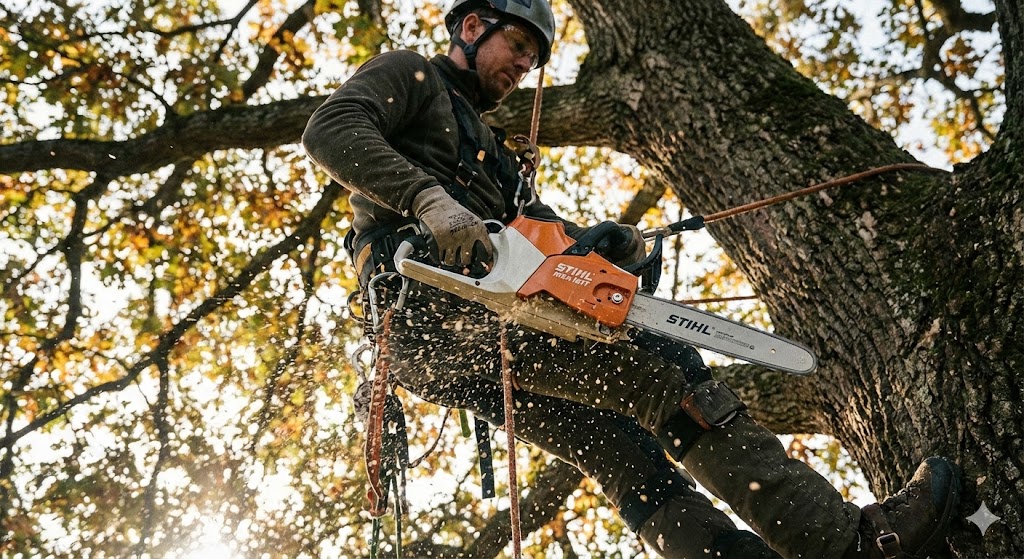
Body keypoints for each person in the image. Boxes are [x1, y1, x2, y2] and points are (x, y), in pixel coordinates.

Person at [302, 1, 961, 557]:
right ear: (472, 27)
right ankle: (845, 541)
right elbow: (330, 129)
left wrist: (605, 244)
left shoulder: (495, 152)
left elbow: (540, 240)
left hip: (453, 342)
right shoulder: (410, 73)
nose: (524, 64)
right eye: (519, 44)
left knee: (618, 447)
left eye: (534, 57)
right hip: (435, 307)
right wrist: (428, 200)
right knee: (666, 371)